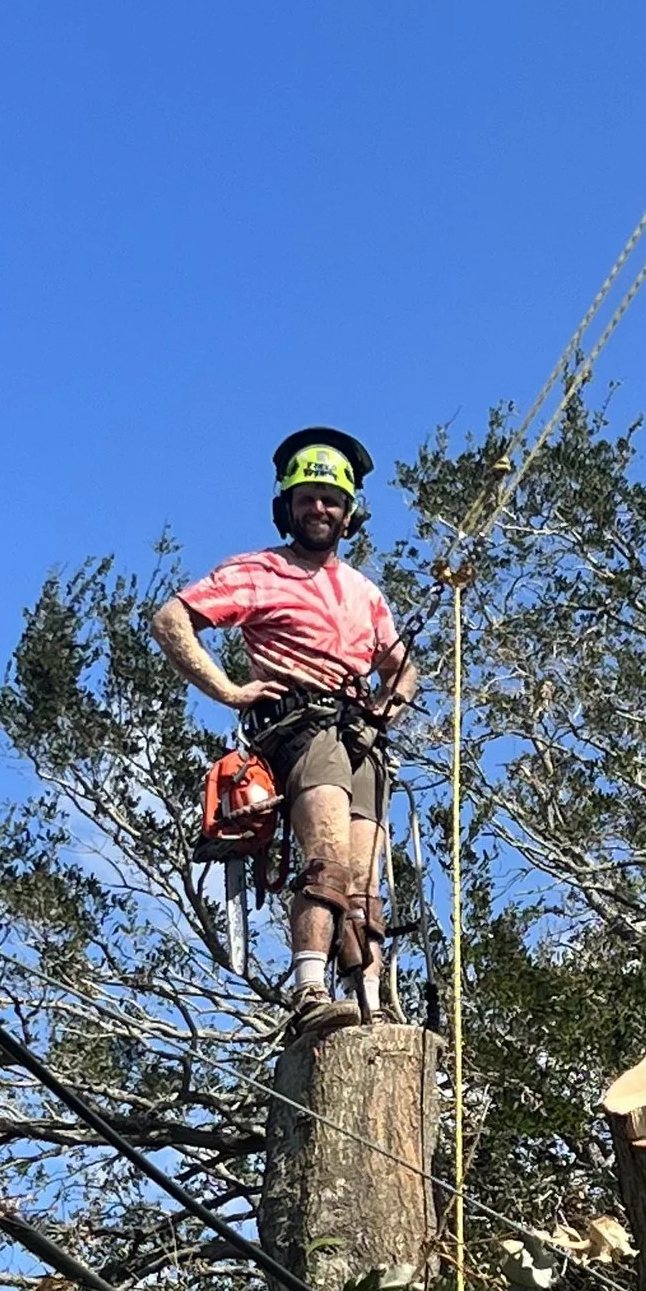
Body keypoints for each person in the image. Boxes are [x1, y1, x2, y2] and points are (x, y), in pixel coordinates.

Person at [150, 429, 419, 1032]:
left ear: (348, 513)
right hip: (300, 725)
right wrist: (228, 690)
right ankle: (309, 990)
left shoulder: (364, 593)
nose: (318, 508)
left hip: (360, 737)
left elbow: (403, 669)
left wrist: (388, 705)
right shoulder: (258, 572)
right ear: (287, 507)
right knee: (326, 859)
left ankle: (371, 998)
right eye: (306, 498)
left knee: (364, 878)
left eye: (330, 499)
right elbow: (172, 620)